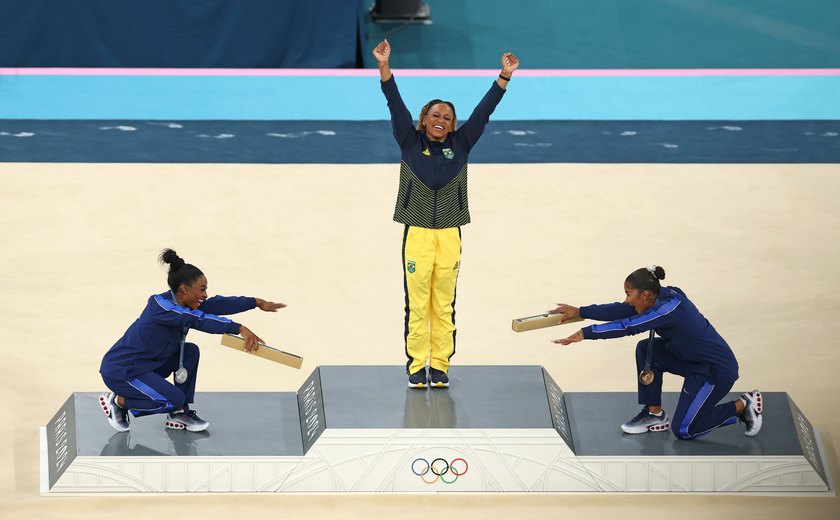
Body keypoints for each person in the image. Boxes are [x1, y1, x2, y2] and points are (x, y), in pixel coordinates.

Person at [372, 38, 520, 389]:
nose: (441, 120)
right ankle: (414, 365)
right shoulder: (409, 140)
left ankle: (439, 366)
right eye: (435, 115)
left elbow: (484, 112)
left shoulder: (462, 143)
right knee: (418, 303)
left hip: (450, 234)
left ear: (453, 126)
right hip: (418, 236)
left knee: (444, 303)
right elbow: (395, 104)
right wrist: (384, 67)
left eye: (447, 118)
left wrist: (504, 76)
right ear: (423, 120)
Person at [550, 266, 763, 439]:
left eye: (628, 294)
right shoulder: (654, 298)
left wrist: (586, 333)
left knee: (684, 430)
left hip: (714, 371)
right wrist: (580, 311)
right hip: (689, 360)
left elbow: (627, 326)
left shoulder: (669, 307)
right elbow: (622, 310)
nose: (627, 300)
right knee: (646, 349)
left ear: (644, 294)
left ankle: (743, 405)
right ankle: (654, 414)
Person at [98, 249, 285, 433]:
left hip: (148, 365)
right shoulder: (160, 305)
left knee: (190, 351)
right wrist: (239, 328)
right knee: (173, 399)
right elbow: (197, 319)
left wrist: (256, 302)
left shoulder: (186, 302)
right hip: (123, 370)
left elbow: (218, 304)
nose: (205, 295)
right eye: (202, 289)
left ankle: (179, 413)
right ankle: (119, 401)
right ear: (184, 289)